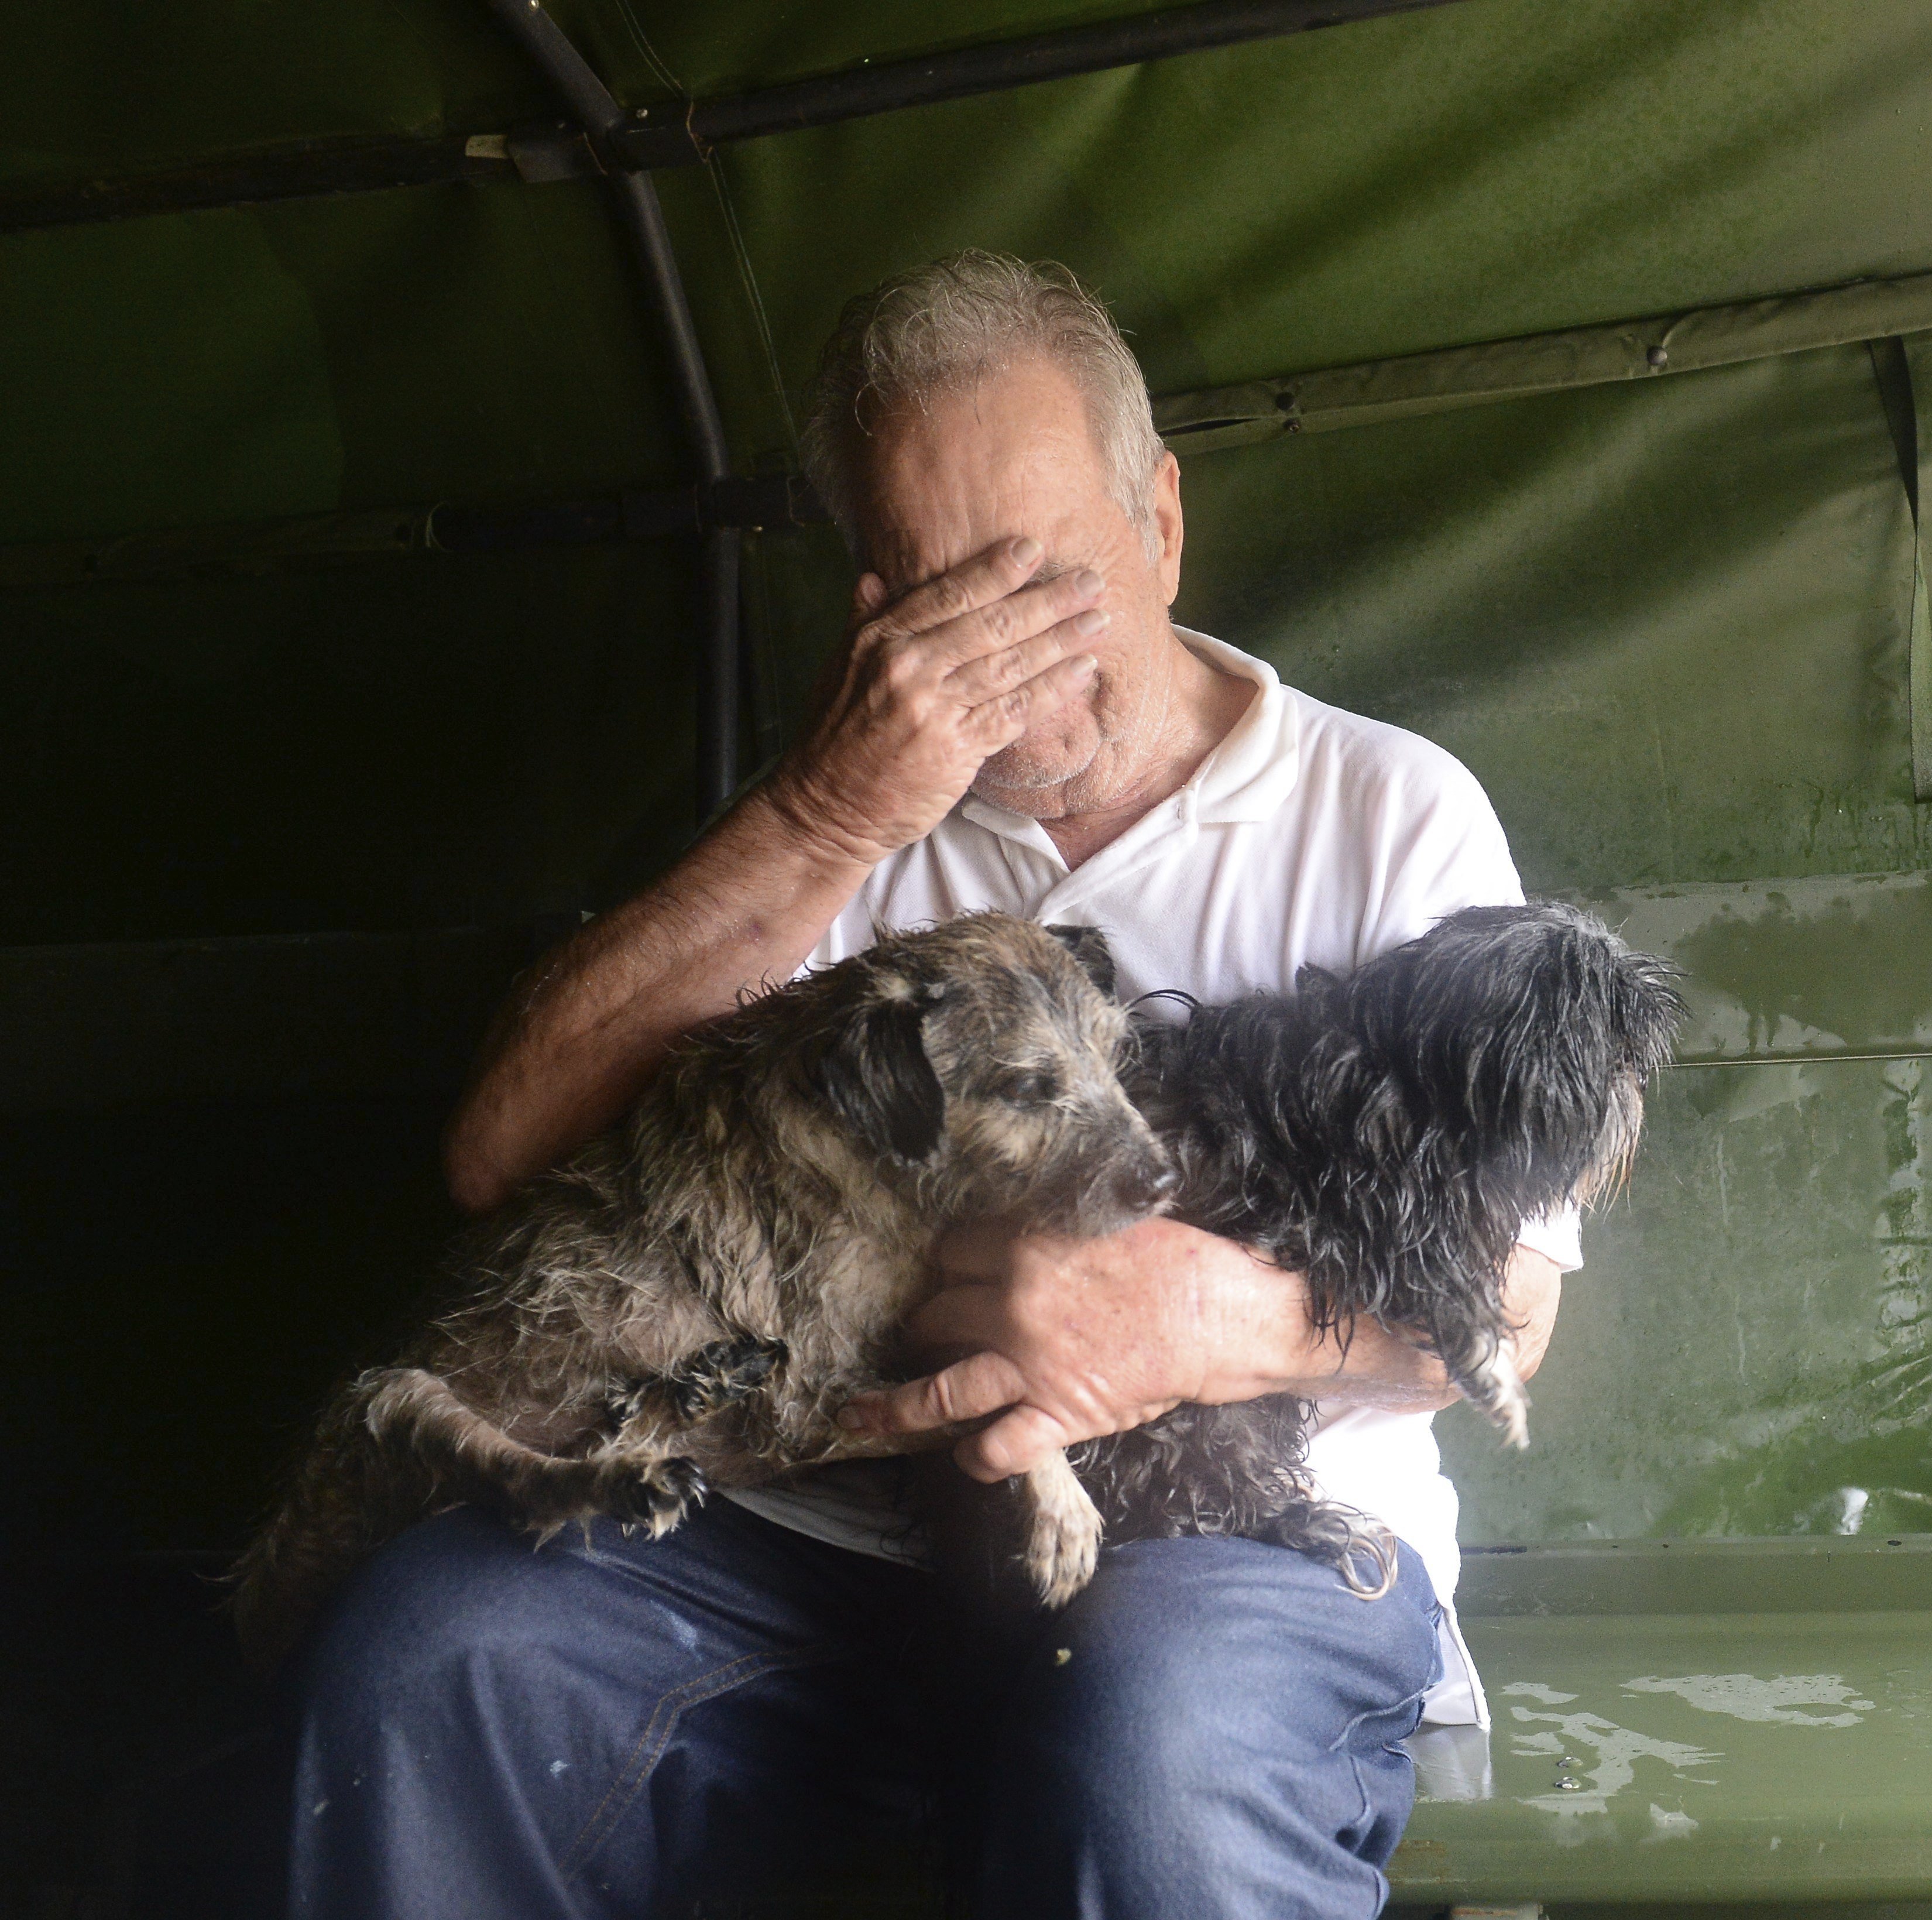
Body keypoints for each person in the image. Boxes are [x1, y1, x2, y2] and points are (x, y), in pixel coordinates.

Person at [280, 252, 1573, 1920]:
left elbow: (1508, 1317)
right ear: (867, 604)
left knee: (1156, 1770)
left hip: (1235, 1550)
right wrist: (827, 814)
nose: (1003, 677)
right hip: (811, 1536)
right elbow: (497, 1151)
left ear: (1163, 524)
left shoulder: (1391, 815)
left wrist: (1193, 1325)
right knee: (429, 1661)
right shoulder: (855, 798)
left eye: (1045, 591)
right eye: (929, 601)